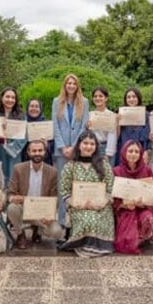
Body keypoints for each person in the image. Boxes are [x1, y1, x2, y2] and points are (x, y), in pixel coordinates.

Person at [59, 131, 115, 257]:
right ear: (79, 145)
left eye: (92, 144)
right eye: (85, 143)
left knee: (96, 219)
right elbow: (65, 190)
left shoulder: (104, 165)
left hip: (101, 206)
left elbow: (110, 188)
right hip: (78, 205)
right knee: (86, 219)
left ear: (96, 147)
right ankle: (82, 244)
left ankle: (98, 245)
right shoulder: (70, 166)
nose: (88, 147)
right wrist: (76, 203)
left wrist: (100, 203)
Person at [7, 140, 64, 249]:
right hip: (23, 209)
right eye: (34, 151)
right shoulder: (18, 168)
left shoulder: (53, 172)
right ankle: (20, 234)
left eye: (40, 150)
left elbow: (55, 197)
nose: (37, 153)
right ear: (28, 153)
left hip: (42, 211)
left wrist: (50, 215)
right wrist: (14, 198)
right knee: (12, 208)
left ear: (45, 152)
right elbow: (10, 192)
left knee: (56, 232)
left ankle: (38, 230)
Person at [52, 74, 89, 226]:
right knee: (62, 185)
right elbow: (55, 125)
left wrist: (74, 147)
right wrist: (62, 147)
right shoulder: (56, 101)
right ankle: (61, 219)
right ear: (65, 85)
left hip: (77, 149)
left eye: (74, 83)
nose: (71, 86)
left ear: (77, 86)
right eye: (69, 83)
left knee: (76, 184)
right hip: (60, 151)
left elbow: (83, 126)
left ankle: (76, 220)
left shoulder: (84, 102)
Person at [112, 140, 153, 254]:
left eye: (136, 152)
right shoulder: (117, 171)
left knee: (148, 219)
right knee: (127, 240)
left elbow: (152, 192)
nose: (133, 154)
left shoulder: (147, 170)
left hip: (142, 208)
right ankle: (135, 239)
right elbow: (113, 197)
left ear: (141, 154)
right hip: (124, 210)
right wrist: (124, 205)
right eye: (130, 151)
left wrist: (144, 203)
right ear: (124, 153)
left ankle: (144, 239)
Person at [0, 87, 27, 184]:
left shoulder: (21, 115)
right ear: (2, 98)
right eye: (7, 97)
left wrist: (11, 148)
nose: (10, 100)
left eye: (13, 97)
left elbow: (24, 136)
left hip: (14, 152)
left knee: (13, 177)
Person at [117, 87, 151, 165]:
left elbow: (147, 136)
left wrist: (146, 151)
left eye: (134, 96)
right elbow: (117, 136)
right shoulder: (121, 114)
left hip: (140, 149)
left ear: (138, 98)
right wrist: (117, 122)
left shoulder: (146, 115)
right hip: (123, 148)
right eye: (128, 97)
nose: (131, 99)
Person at [88, 86, 117, 167]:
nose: (98, 98)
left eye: (101, 96)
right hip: (92, 148)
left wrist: (108, 154)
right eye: (95, 96)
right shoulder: (89, 115)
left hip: (106, 148)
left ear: (106, 98)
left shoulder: (111, 115)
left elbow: (113, 135)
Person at [23, 98, 54, 164]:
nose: (34, 108)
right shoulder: (22, 124)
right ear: (27, 109)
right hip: (26, 160)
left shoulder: (47, 125)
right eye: (31, 106)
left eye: (37, 106)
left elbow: (53, 145)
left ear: (40, 109)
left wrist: (47, 144)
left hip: (44, 160)